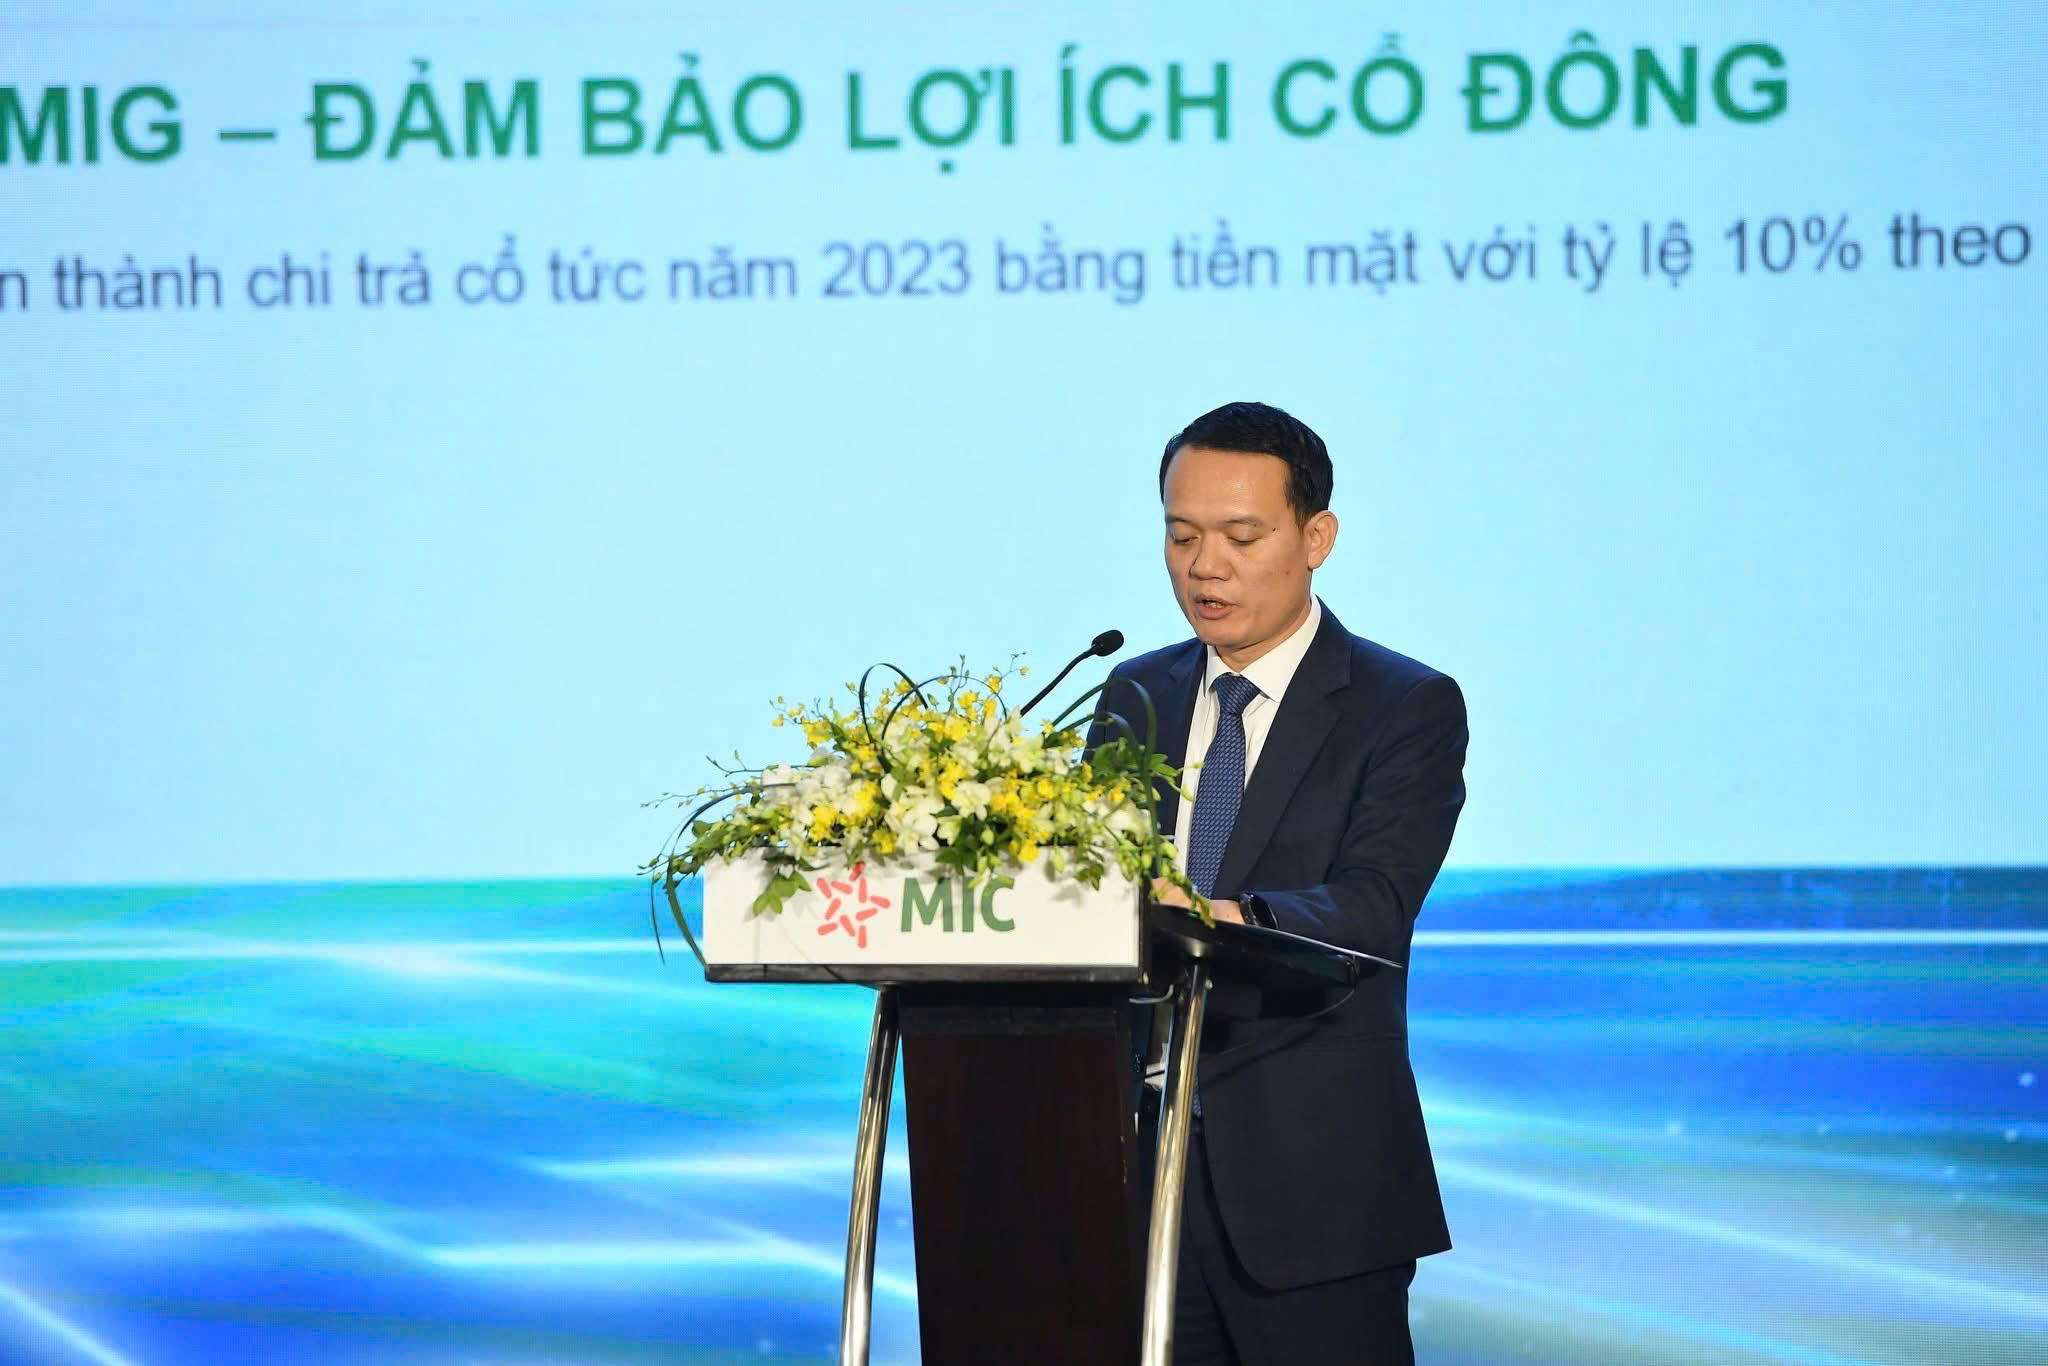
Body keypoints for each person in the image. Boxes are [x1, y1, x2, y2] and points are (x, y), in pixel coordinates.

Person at [1085, 401, 1468, 1365]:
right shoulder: (1134, 692)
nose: (1204, 566)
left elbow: (1374, 904)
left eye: (1240, 537)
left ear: (1316, 539)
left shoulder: (1402, 705)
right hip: (1134, 1175)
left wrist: (1216, 916)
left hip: (1314, 1187)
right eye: (1181, 536)